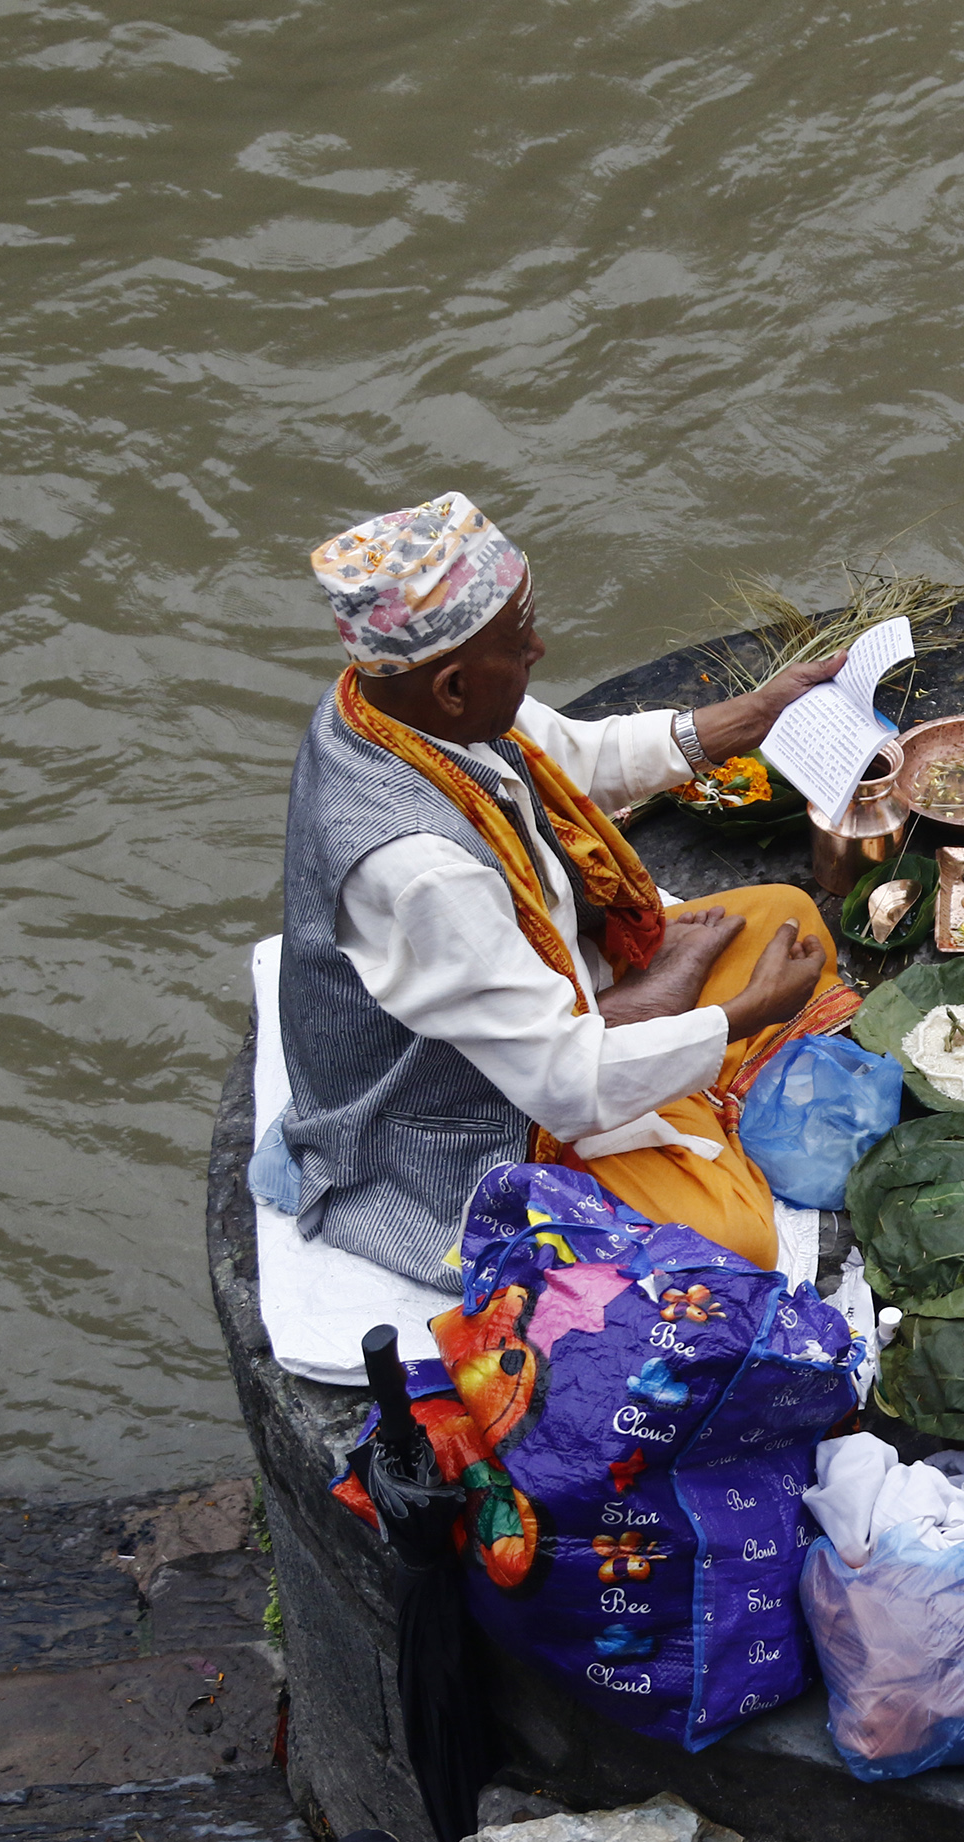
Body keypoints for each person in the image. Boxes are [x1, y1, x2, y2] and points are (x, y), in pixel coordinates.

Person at [261, 490, 851, 1286]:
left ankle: (651, 1032)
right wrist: (745, 1013)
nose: (538, 649)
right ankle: (663, 1046)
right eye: (520, 643)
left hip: (545, 1010)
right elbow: (561, 1087)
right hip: (472, 1112)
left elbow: (577, 755)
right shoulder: (419, 868)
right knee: (735, 1245)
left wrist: (756, 714)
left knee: (788, 916)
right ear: (454, 686)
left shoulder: (400, 708)